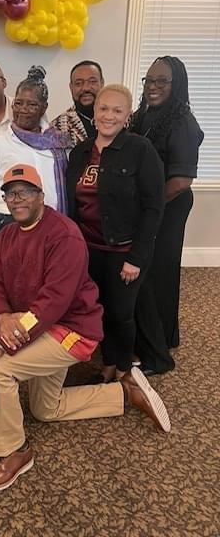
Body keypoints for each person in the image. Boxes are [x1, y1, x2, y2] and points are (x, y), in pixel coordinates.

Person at [0, 164, 171, 494]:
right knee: (45, 410)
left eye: (25, 192)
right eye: (10, 194)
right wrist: (1, 316)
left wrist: (2, 343)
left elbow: (53, 304)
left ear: (41, 196)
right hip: (34, 326)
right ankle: (124, 391)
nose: (17, 199)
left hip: (71, 331)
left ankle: (12, 453)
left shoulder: (64, 234)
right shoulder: (5, 235)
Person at [66, 84, 165, 383]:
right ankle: (107, 364)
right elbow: (73, 205)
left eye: (117, 110)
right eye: (103, 108)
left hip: (124, 251)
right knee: (99, 310)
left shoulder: (140, 150)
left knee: (121, 313)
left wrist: (136, 257)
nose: (109, 116)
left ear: (127, 115)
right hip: (89, 248)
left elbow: (153, 208)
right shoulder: (79, 152)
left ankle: (122, 368)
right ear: (94, 112)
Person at [131, 56, 204, 373]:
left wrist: (149, 208)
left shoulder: (183, 122)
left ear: (177, 85)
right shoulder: (145, 115)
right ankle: (155, 336)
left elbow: (181, 180)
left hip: (168, 207)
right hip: (147, 206)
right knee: (146, 271)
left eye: (161, 81)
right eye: (149, 80)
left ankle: (157, 349)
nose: (153, 87)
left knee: (158, 273)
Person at [0, 66, 71, 262]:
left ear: (44, 107)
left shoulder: (58, 143)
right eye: (19, 103)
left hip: (49, 224)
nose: (23, 110)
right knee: (9, 284)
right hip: (5, 223)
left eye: (31, 105)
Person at [51, 60, 104, 145]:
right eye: (78, 83)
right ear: (71, 87)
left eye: (92, 82)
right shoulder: (58, 127)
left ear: (102, 83)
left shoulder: (120, 119)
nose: (86, 88)